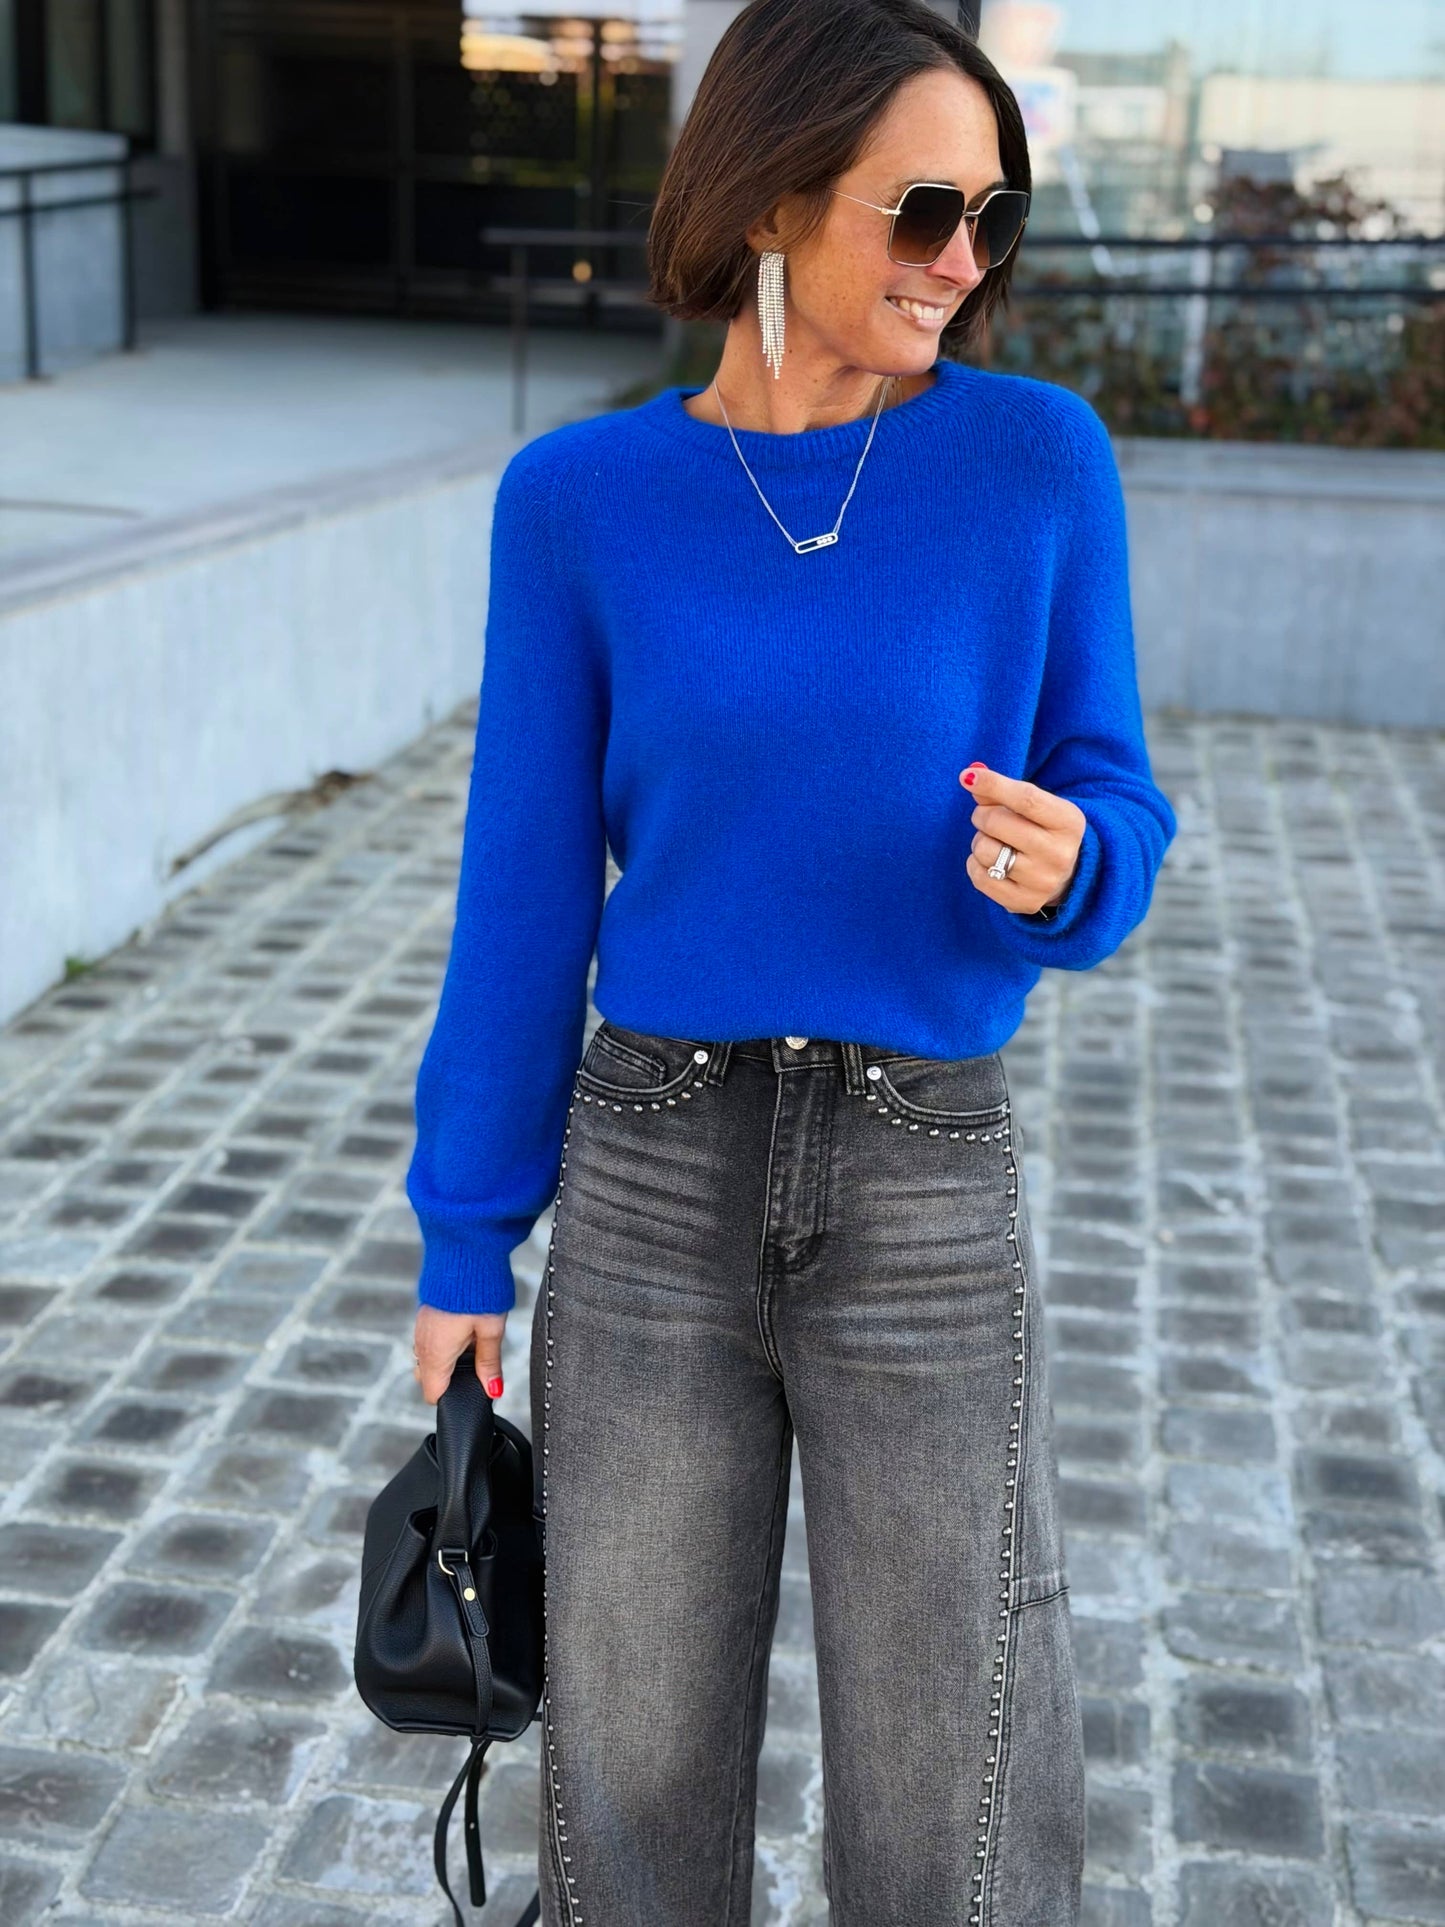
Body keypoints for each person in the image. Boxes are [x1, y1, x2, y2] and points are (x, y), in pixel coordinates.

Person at [404, 0, 1177, 1918]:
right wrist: (462, 1239)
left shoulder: (1033, 465)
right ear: (766, 197)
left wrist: (1075, 863)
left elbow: (1113, 793)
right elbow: (523, 890)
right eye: (920, 209)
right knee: (635, 1770)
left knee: (953, 1783)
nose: (961, 260)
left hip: (922, 1176)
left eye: (992, 216)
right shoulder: (578, 502)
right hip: (651, 1181)